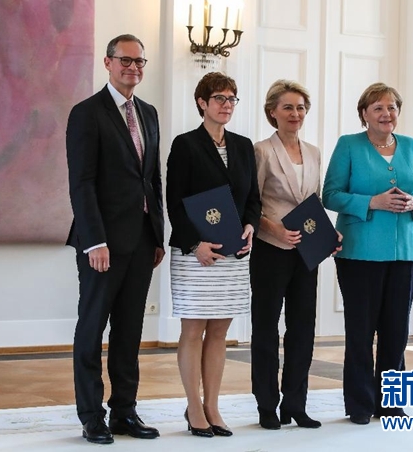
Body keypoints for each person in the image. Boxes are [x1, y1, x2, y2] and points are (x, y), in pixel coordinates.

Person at [66, 34, 165, 445]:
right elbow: (82, 183)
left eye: (139, 62)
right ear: (108, 63)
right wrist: (95, 241)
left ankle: (124, 411)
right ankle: (92, 416)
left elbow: (152, 178)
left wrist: (158, 234)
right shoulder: (87, 113)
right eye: (125, 60)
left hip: (142, 241)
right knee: (92, 329)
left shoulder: (149, 113)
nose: (133, 68)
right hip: (101, 244)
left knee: (129, 331)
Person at [322, 82, 413, 425]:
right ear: (364, 114)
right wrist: (372, 202)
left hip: (405, 252)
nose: (387, 114)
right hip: (359, 252)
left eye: (392, 108)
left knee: (396, 331)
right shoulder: (349, 145)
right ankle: (360, 404)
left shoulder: (412, 146)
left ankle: (391, 403)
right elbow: (331, 195)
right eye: (378, 108)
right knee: (361, 331)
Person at [166, 72, 261, 438]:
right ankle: (193, 406)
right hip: (196, 254)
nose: (226, 104)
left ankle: (213, 406)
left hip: (232, 254)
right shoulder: (185, 144)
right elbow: (175, 202)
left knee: (220, 331)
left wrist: (251, 225)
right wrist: (195, 245)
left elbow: (252, 198)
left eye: (232, 98)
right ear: (202, 103)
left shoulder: (243, 146)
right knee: (193, 329)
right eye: (219, 98)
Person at [250, 80, 342, 430]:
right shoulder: (261, 151)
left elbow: (313, 202)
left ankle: (295, 403)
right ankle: (266, 405)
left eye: (301, 107)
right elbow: (250, 204)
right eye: (288, 107)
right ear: (272, 112)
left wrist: (330, 234)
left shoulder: (315, 152)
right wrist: (273, 229)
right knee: (266, 329)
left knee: (302, 328)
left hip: (307, 252)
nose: (295, 113)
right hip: (270, 250)